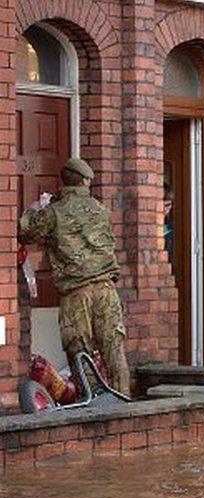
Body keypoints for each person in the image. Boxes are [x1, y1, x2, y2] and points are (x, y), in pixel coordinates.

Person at [18, 158, 131, 395]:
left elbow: (24, 232)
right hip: (106, 289)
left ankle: (90, 404)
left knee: (80, 352)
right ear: (85, 181)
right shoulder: (102, 210)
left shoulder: (54, 212)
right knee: (114, 351)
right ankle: (123, 402)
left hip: (76, 293)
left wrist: (35, 209)